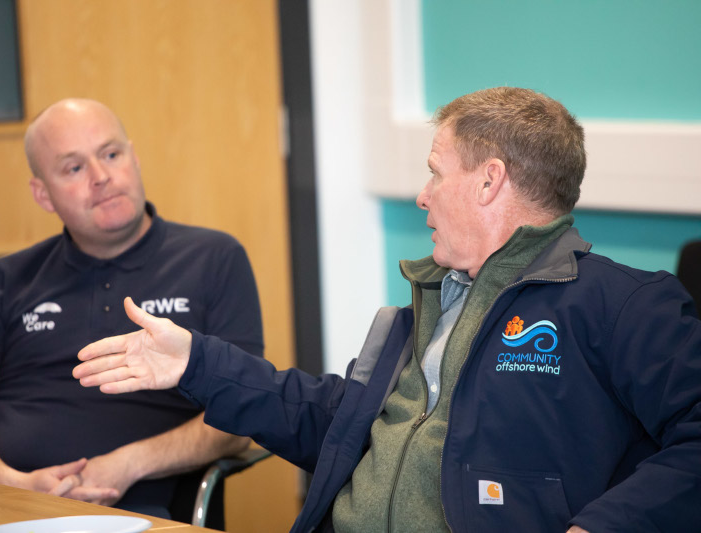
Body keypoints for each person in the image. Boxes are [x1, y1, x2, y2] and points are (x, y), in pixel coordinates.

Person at [73, 88, 701, 532]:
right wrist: (196, 363)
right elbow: (336, 424)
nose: (423, 197)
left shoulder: (621, 304)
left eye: (435, 174)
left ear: (489, 182)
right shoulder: (424, 307)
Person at [0, 98, 264, 520]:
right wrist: (11, 484)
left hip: (145, 510)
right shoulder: (6, 279)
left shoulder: (214, 259)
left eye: (111, 155)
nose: (101, 177)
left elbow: (239, 415)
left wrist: (127, 465)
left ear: (134, 159)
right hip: (5, 507)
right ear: (43, 194)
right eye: (74, 168)